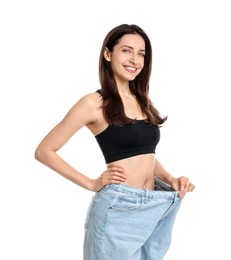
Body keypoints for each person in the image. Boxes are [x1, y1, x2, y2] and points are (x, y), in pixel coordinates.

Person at [35, 23, 195, 260]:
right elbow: (44, 151)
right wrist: (91, 183)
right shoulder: (93, 103)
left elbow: (144, 155)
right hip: (118, 210)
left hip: (155, 207)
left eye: (141, 54)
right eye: (127, 50)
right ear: (108, 54)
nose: (135, 60)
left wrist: (170, 178)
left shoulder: (143, 100)